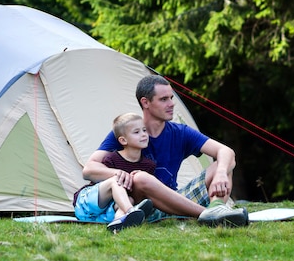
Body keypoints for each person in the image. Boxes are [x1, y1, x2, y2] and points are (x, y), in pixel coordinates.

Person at [83, 75, 249, 227]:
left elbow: (225, 151)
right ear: (145, 102)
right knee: (140, 178)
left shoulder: (180, 132)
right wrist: (118, 173)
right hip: (141, 206)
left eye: (171, 98)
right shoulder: (128, 131)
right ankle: (208, 215)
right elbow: (89, 169)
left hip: (175, 200)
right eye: (164, 99)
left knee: (225, 163)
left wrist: (220, 172)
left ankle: (216, 207)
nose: (171, 104)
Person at [73, 113, 156, 232]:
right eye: (136, 132)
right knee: (115, 181)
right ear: (123, 140)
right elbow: (101, 186)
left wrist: (138, 178)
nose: (143, 134)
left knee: (129, 200)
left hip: (105, 214)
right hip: (88, 205)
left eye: (144, 130)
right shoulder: (112, 158)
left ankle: (119, 222)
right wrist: (117, 174)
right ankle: (130, 211)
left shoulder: (149, 166)